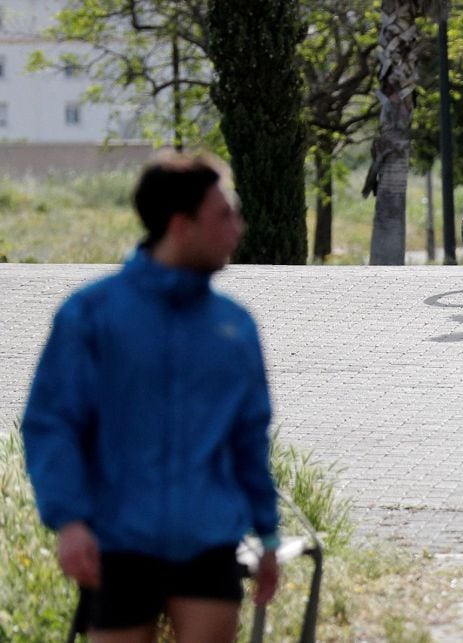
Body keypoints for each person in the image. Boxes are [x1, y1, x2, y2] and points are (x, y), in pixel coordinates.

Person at [21, 151, 280, 642]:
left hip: (209, 544)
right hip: (117, 544)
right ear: (182, 225)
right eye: (225, 214)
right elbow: (51, 423)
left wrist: (267, 533)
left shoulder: (235, 326)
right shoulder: (90, 314)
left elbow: (250, 439)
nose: (239, 228)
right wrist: (69, 520)